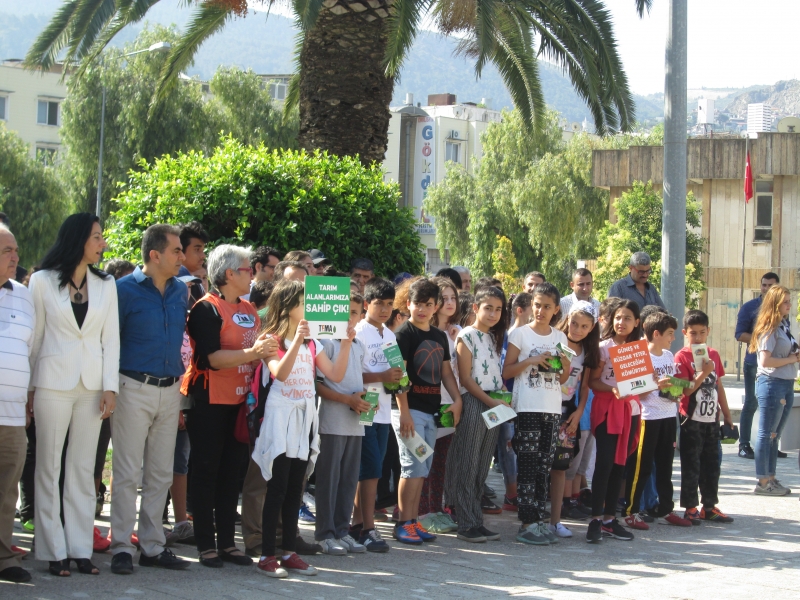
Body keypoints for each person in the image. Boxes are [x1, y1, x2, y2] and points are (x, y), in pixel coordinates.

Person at [28, 213, 119, 577]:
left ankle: (81, 549)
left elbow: (111, 339)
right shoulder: (41, 281)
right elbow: (34, 340)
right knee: (48, 468)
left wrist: (110, 386)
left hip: (93, 386)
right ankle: (53, 550)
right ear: (79, 239)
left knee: (84, 470)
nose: (103, 244)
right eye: (97, 237)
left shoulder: (107, 284)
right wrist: (30, 389)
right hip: (52, 383)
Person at [182, 245, 277, 568]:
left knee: (231, 475)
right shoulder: (205, 310)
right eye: (248, 269)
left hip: (241, 403)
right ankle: (205, 544)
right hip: (209, 401)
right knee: (207, 472)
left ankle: (228, 544)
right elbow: (211, 358)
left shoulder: (251, 309)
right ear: (229, 274)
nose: (252, 274)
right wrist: (253, 354)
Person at [252, 279, 354, 577]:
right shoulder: (271, 338)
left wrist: (346, 343)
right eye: (303, 302)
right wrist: (296, 340)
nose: (308, 307)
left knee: (296, 486)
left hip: (305, 416)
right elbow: (280, 374)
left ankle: (289, 551)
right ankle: (267, 555)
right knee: (278, 486)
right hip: (281, 415)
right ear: (287, 305)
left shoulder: (313, 341)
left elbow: (334, 372)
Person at [111, 224, 190, 575]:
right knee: (128, 471)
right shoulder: (123, 291)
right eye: (176, 251)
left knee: (160, 473)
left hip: (170, 389)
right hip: (131, 386)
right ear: (154, 254)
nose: (182, 257)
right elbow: (109, 341)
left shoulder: (179, 291)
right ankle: (121, 547)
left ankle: (153, 546)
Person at [392, 278, 462, 544]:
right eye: (417, 304)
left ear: (436, 307)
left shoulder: (439, 336)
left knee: (423, 467)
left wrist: (457, 399)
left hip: (431, 413)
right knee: (411, 467)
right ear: (408, 304)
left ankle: (414, 521)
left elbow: (445, 371)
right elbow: (398, 377)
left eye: (428, 305)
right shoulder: (403, 334)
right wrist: (404, 413)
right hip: (408, 412)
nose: (421, 309)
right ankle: (402, 523)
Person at [502, 283, 570, 545]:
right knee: (528, 465)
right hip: (527, 406)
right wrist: (531, 360)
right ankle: (527, 523)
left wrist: (564, 364)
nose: (541, 310)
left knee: (545, 465)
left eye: (547, 306)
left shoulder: (560, 338)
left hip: (552, 408)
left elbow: (562, 378)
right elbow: (507, 372)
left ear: (555, 310)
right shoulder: (520, 334)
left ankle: (540, 521)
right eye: (537, 304)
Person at [444, 285, 507, 543]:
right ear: (475, 308)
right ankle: (465, 522)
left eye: (498, 309)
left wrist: (502, 396)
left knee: (482, 465)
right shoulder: (466, 335)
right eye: (488, 308)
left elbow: (494, 374)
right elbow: (466, 379)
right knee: (467, 463)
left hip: (494, 404)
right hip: (474, 402)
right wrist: (490, 401)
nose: (493, 314)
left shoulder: (491, 337)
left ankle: (476, 520)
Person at [622, 312, 692, 530]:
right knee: (641, 466)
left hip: (668, 416)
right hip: (647, 417)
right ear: (656, 333)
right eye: (670, 334)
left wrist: (675, 390)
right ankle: (631, 511)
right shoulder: (639, 356)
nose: (673, 338)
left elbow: (671, 386)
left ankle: (665, 508)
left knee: (665, 466)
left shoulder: (669, 356)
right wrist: (655, 385)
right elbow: (633, 392)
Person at [314, 294, 369, 555]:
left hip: (356, 422)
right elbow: (320, 384)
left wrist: (367, 401)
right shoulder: (327, 343)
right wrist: (346, 399)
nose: (350, 317)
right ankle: (324, 534)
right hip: (332, 422)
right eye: (345, 311)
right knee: (329, 480)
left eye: (355, 312)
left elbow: (358, 380)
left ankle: (342, 531)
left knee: (348, 480)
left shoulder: (358, 345)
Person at [586, 298, 642, 543]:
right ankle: (595, 519)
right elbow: (593, 382)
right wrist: (612, 391)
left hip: (629, 412)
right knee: (605, 464)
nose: (621, 322)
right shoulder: (603, 348)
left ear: (636, 322)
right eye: (618, 317)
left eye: (627, 318)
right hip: (608, 410)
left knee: (621, 466)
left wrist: (654, 385)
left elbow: (641, 387)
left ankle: (610, 518)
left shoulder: (638, 349)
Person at [350, 278, 400, 552]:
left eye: (389, 304)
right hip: (366, 404)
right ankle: (368, 527)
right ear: (367, 303)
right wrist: (381, 376)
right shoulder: (358, 331)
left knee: (375, 468)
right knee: (370, 468)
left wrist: (399, 381)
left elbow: (395, 373)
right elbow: (351, 372)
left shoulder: (390, 335)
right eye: (379, 303)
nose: (384, 310)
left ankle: (358, 522)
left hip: (384, 409)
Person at [675, 310, 735, 521]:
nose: (698, 338)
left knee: (712, 464)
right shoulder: (682, 356)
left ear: (708, 331)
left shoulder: (714, 355)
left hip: (711, 419)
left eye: (702, 332)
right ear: (685, 333)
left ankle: (709, 506)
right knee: (692, 464)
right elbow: (686, 390)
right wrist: (703, 372)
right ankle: (690, 507)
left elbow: (718, 385)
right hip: (691, 419)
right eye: (693, 333)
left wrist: (726, 415)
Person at [0, 224, 34, 583]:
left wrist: (27, 399)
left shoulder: (24, 296)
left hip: (11, 412)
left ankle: (3, 556)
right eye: (7, 251)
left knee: (7, 488)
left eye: (16, 250)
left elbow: (31, 349)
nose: (16, 257)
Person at [549, 301, 600, 537]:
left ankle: (555, 520)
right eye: (575, 324)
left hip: (568, 412)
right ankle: (535, 516)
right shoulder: (554, 341)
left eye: (584, 326)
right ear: (567, 319)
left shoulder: (588, 352)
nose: (577, 330)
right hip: (545, 407)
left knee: (561, 464)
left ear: (592, 328)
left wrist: (579, 413)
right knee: (541, 464)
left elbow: (585, 386)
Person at [419, 277, 463, 533]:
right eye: (443, 298)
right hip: (426, 404)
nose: (449, 303)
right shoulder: (426, 330)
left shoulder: (458, 331)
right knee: (422, 459)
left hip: (450, 404)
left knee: (440, 464)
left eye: (452, 298)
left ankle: (437, 509)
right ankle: (418, 510)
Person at [746, 287, 798, 496]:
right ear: (775, 304)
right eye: (785, 301)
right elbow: (766, 361)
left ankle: (772, 477)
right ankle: (763, 481)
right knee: (766, 434)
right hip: (771, 383)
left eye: (789, 300)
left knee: (774, 436)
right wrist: (792, 359)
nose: (789, 305)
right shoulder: (769, 327)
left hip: (785, 382)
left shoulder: (783, 326)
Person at [735, 272, 781, 459]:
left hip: (777, 365)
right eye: (764, 285)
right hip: (754, 362)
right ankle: (744, 445)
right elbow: (740, 334)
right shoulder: (750, 307)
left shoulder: (780, 309)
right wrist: (763, 340)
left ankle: (771, 444)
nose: (766, 288)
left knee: (774, 405)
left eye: (770, 285)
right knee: (751, 403)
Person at [498, 293, 532, 513]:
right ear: (520, 310)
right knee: (507, 446)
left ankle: (519, 491)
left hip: (523, 399)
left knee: (516, 446)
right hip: (506, 397)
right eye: (532, 308)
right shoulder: (510, 335)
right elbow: (504, 370)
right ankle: (511, 494)